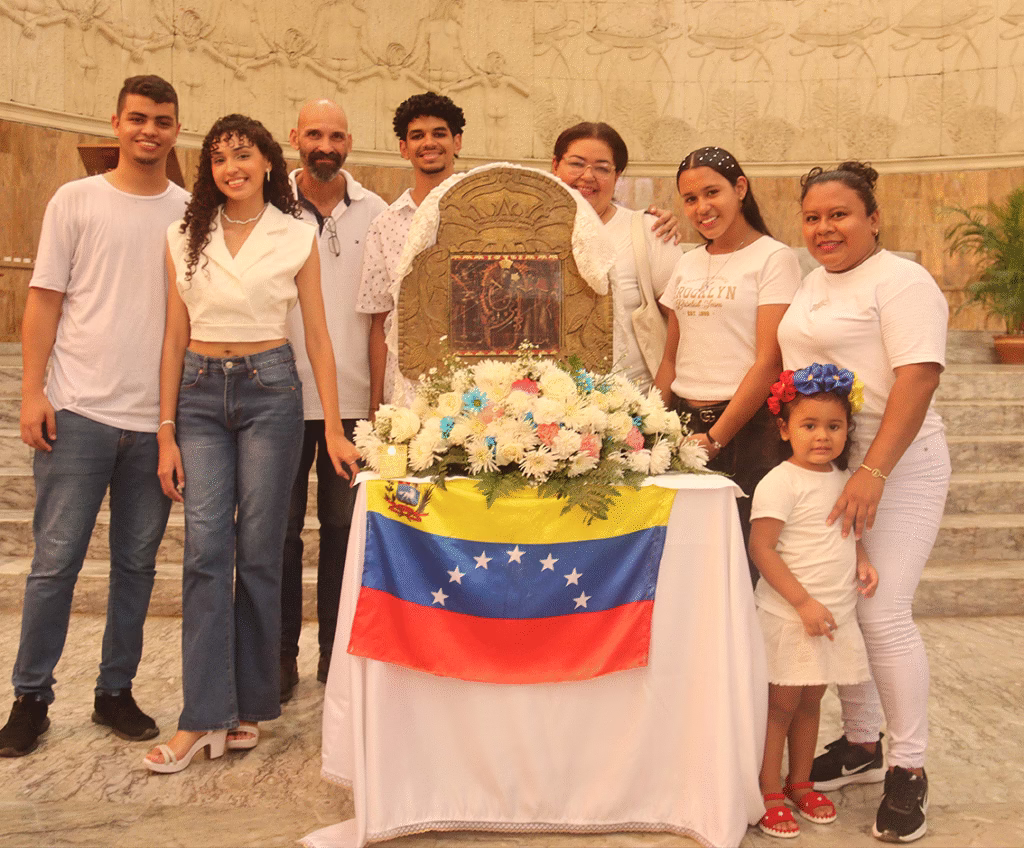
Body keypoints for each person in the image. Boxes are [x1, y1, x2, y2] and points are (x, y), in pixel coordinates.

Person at [144, 114, 360, 774]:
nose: (230, 167)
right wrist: (165, 430)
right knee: (208, 550)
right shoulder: (182, 235)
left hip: (271, 392)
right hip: (202, 396)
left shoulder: (297, 235)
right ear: (208, 172)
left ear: (268, 161)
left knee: (262, 552)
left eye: (242, 155)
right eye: (216, 160)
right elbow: (173, 338)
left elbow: (318, 338)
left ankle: (248, 707)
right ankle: (199, 718)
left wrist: (331, 427)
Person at [0, 76, 186, 759]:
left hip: (152, 423)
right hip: (76, 410)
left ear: (175, 130)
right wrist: (32, 391)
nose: (149, 131)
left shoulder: (188, 212)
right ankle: (30, 698)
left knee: (136, 566)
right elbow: (44, 299)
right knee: (55, 563)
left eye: (162, 121)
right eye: (137, 119)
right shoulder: (75, 200)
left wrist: (173, 424)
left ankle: (115, 690)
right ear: (116, 123)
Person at [779, 161, 950, 843]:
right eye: (814, 217)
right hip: (828, 460)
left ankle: (909, 768)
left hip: (897, 463)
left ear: (873, 217)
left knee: (882, 612)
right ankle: (860, 744)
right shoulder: (812, 283)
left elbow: (919, 377)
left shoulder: (902, 281)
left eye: (840, 214)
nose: (825, 228)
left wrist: (873, 470)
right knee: (840, 601)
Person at [279, 99, 388, 702]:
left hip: (351, 405)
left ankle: (334, 659)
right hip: (276, 399)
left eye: (337, 135)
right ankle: (276, 659)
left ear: (351, 142)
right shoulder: (265, 206)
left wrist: (375, 404)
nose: (325, 144)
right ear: (294, 137)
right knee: (279, 534)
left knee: (346, 534)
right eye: (314, 133)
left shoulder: (376, 212)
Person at [654, 146, 801, 563]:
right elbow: (671, 358)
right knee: (688, 558)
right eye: (690, 199)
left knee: (743, 556)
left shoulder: (774, 258)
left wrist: (717, 438)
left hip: (746, 429)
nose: (702, 207)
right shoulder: (686, 263)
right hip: (684, 427)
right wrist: (647, 427)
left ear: (740, 188)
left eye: (712, 193)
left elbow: (769, 361)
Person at [749, 364, 878, 838]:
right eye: (809, 425)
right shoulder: (779, 482)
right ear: (784, 429)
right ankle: (767, 788)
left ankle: (800, 781)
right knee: (781, 703)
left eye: (833, 426)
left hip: (831, 614)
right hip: (790, 614)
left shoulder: (843, 478)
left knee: (812, 700)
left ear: (847, 429)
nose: (822, 436)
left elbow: (847, 531)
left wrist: (861, 559)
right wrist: (802, 602)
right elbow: (761, 548)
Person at [550, 121, 682, 393]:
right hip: (544, 407)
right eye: (576, 164)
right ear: (555, 165)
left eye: (602, 168)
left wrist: (660, 404)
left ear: (617, 175)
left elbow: (685, 324)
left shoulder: (649, 231)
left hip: (633, 404)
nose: (588, 176)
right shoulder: (532, 235)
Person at [356, 91, 464, 415]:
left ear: (457, 142)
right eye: (417, 135)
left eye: (439, 133)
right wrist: (376, 404)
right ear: (404, 148)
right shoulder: (384, 224)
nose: (428, 142)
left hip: (473, 393)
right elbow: (379, 322)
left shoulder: (483, 216)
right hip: (404, 393)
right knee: (396, 468)